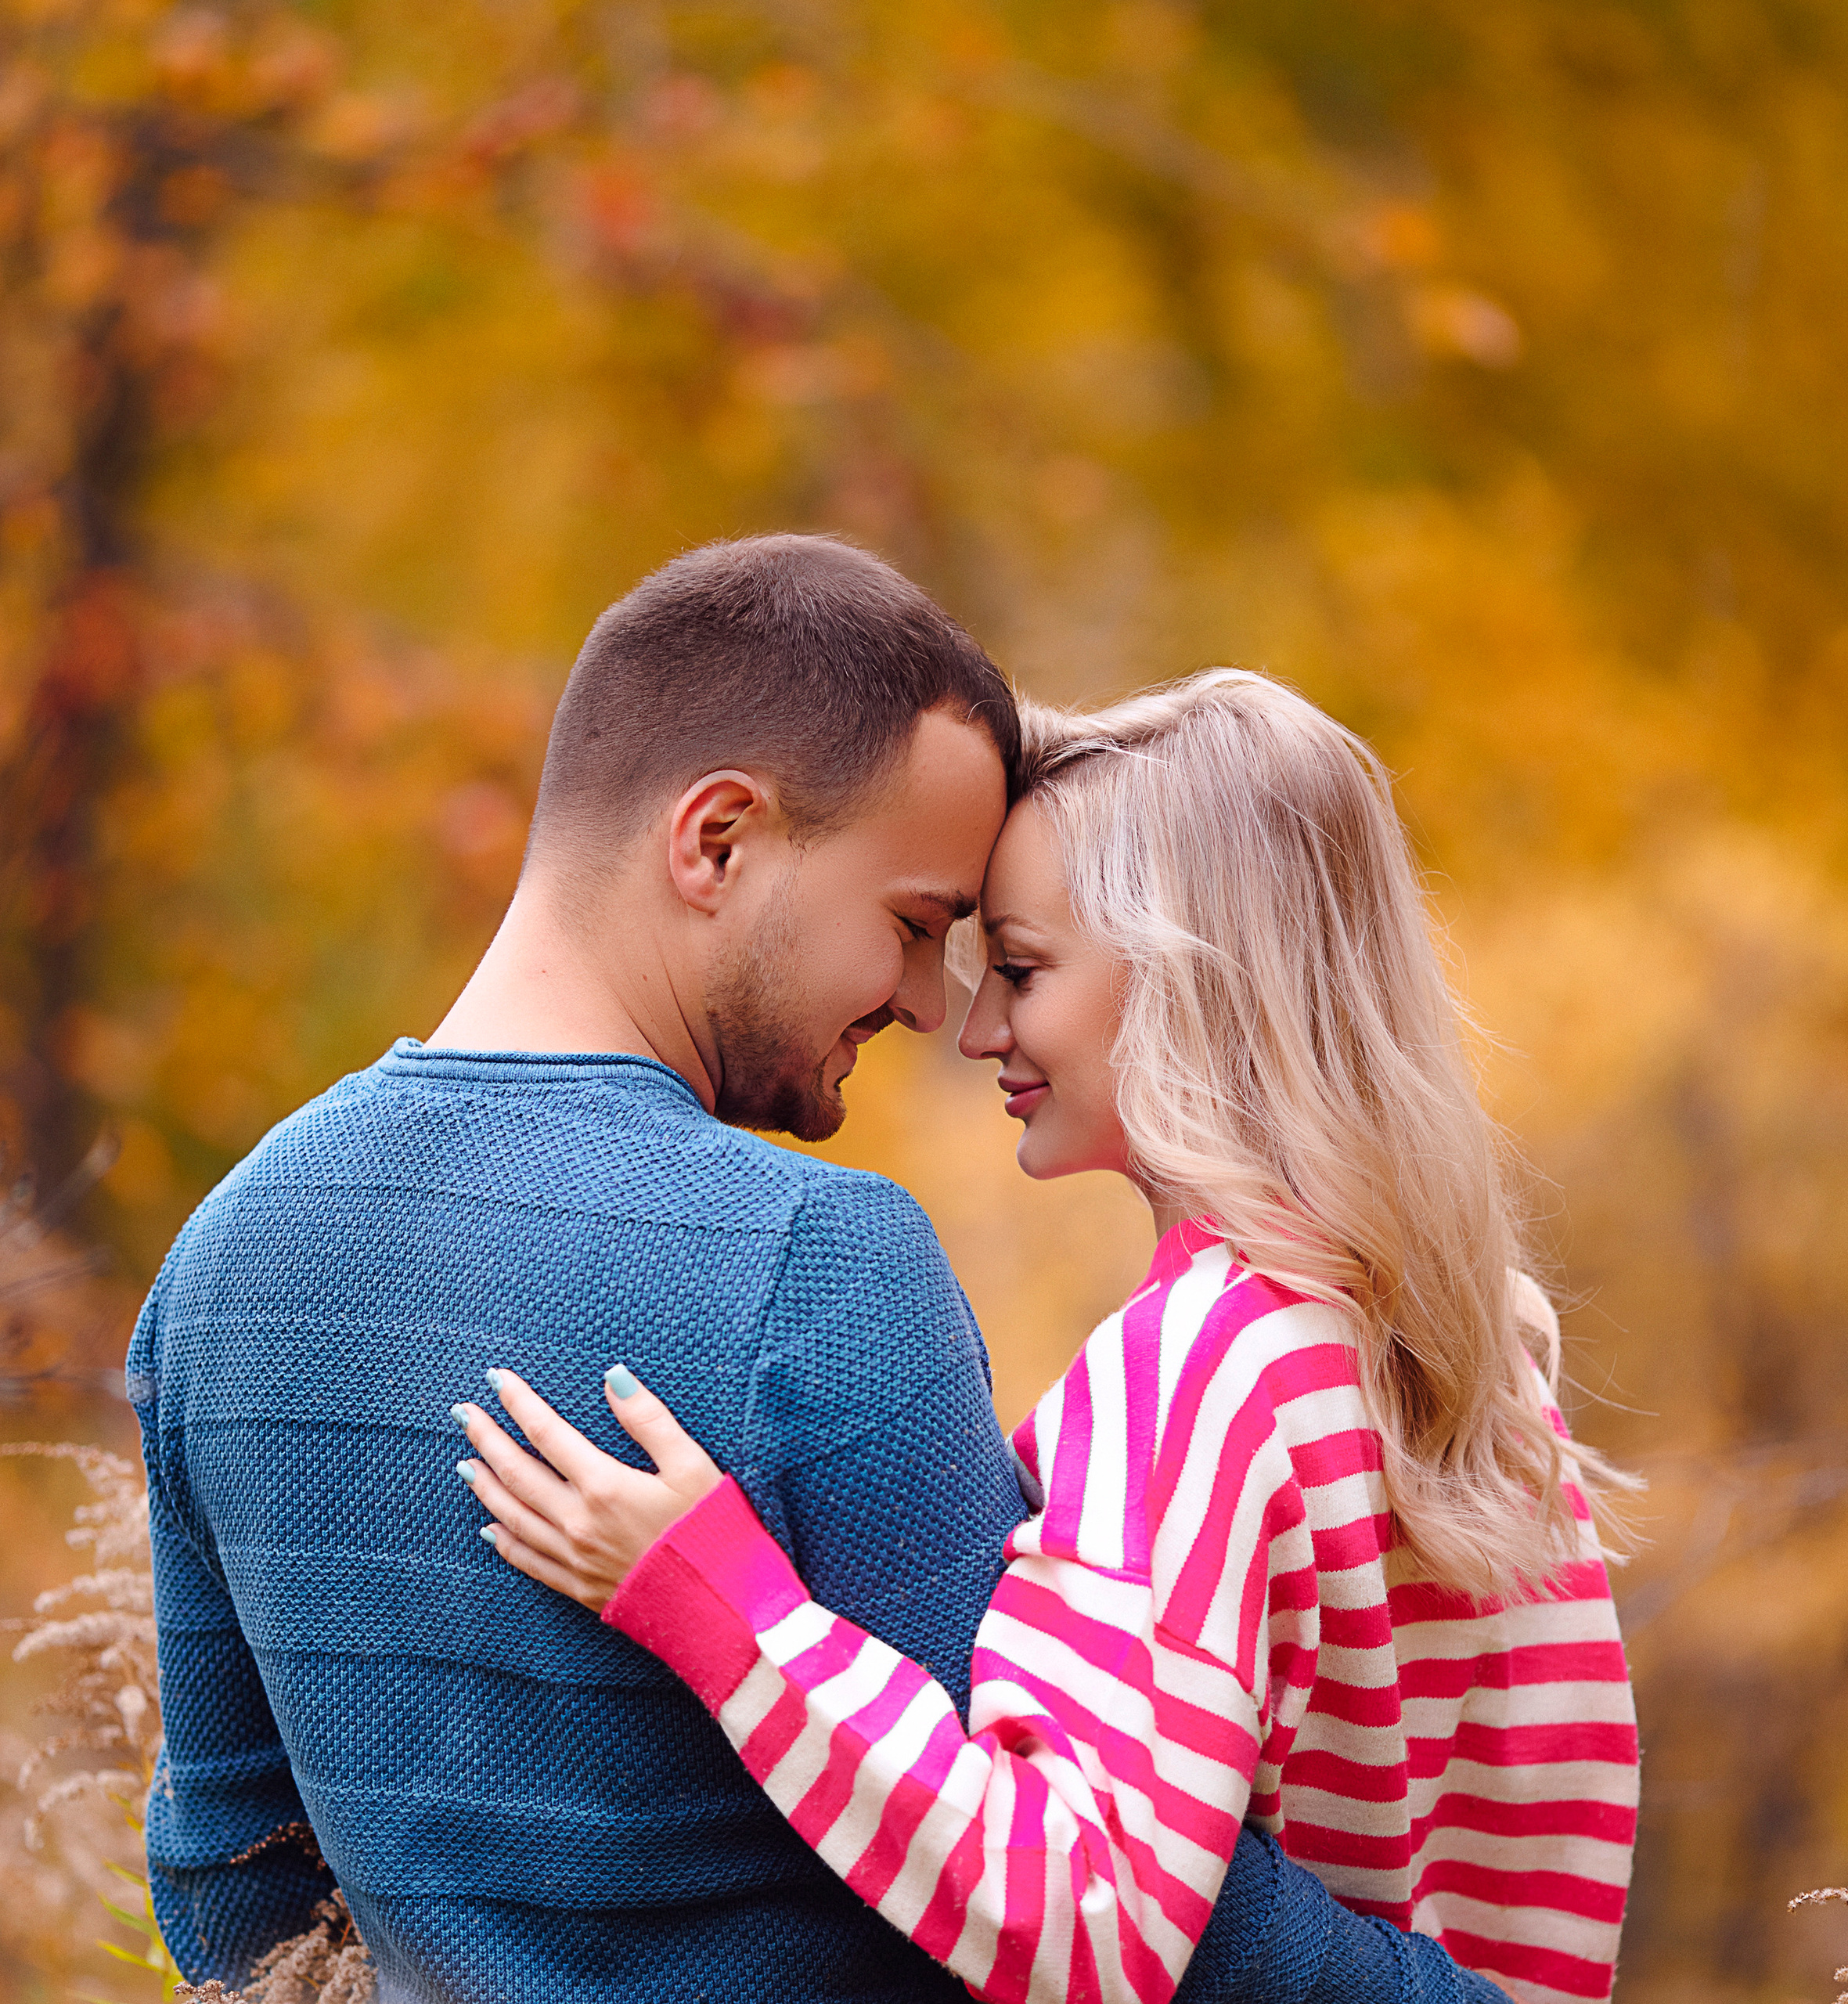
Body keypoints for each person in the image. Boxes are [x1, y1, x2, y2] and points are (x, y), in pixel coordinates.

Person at [131, 540, 1458, 2004]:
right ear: (716, 842)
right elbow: (1060, 1872)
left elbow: (229, 1877)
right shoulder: (815, 1265)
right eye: (914, 925)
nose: (922, 1003)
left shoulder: (221, 1266)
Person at [456, 671, 1641, 2004]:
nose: (974, 1029)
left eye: (1020, 970)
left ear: (1195, 978)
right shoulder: (1468, 1352)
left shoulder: (1209, 1367)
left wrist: (722, 1602)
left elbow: (1088, 1923)